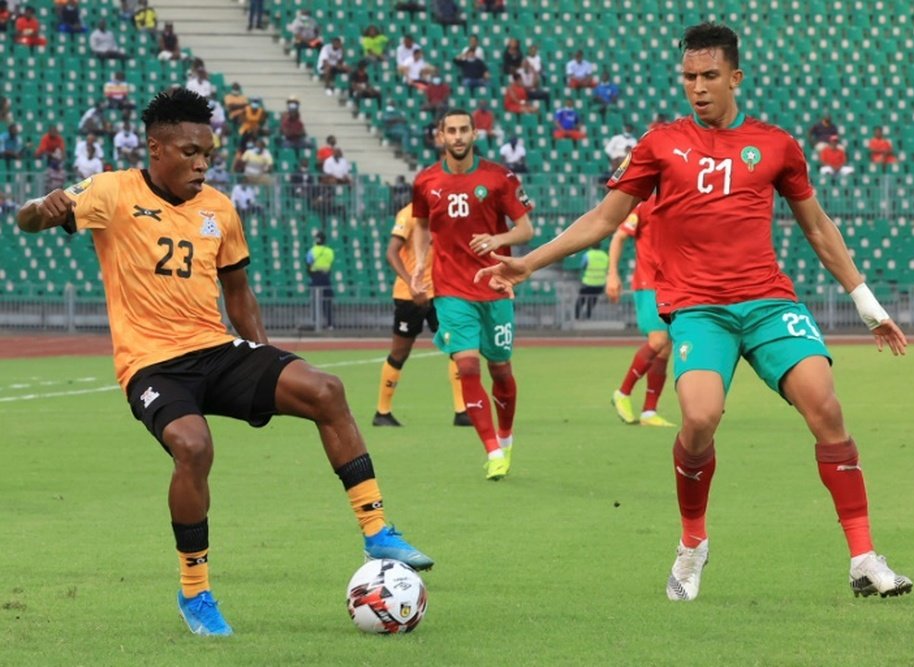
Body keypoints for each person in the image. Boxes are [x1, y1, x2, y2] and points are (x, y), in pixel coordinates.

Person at [476, 22, 912, 601]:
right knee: (700, 419)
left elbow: (818, 227)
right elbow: (604, 220)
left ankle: (863, 558)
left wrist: (866, 304)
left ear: (735, 77)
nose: (698, 87)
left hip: (767, 301)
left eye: (709, 76)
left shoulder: (777, 144)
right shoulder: (659, 144)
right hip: (699, 309)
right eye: (688, 77)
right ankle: (692, 544)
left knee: (826, 406)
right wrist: (528, 261)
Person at [15, 89, 433, 637]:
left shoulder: (219, 208)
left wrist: (264, 354)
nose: (201, 163)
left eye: (207, 153)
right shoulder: (110, 190)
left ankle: (377, 529)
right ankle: (195, 593)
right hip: (152, 364)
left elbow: (238, 292)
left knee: (325, 389)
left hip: (215, 349)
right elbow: (28, 221)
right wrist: (38, 209)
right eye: (189, 151)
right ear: (155, 148)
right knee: (193, 446)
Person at [410, 109, 534, 480]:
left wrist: (499, 239)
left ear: (474, 134)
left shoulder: (499, 178)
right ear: (440, 136)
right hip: (450, 289)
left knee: (500, 370)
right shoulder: (426, 181)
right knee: (466, 366)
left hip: (494, 287)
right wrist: (419, 262)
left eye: (464, 129)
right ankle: (492, 450)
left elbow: (526, 229)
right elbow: (419, 224)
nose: (458, 136)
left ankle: (507, 438)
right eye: (451, 130)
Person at [374, 202, 471, 428]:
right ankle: (382, 412)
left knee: (457, 347)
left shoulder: (446, 213)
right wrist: (412, 284)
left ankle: (462, 410)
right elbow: (391, 252)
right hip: (410, 296)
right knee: (399, 352)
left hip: (440, 294)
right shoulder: (408, 214)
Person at [605, 198, 675, 428]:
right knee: (659, 340)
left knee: (665, 349)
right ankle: (623, 393)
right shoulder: (644, 206)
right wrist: (612, 274)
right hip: (648, 284)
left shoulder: (681, 203)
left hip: (671, 284)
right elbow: (619, 236)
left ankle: (649, 411)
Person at [305, 231, 335, 329]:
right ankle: (330, 323)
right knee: (327, 301)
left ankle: (315, 323)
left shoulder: (312, 251)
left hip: (316, 277)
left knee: (315, 301)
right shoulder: (329, 251)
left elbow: (308, 264)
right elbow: (331, 262)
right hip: (326, 277)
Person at [574, 242, 608, 319]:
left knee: (581, 299)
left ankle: (577, 316)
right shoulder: (605, 256)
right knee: (593, 299)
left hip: (588, 282)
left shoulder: (588, 255)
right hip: (600, 283)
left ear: (591, 246)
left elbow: (582, 265)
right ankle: (588, 315)